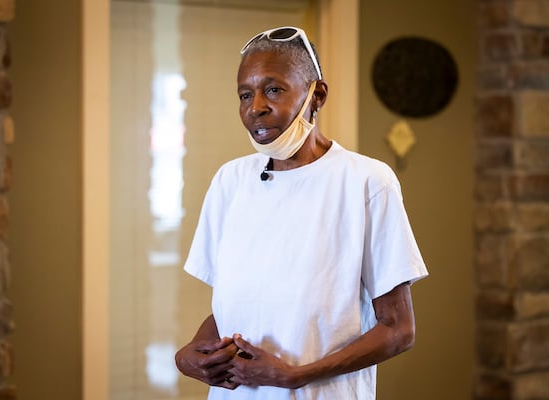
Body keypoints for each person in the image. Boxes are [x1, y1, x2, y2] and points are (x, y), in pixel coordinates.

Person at [175, 26, 428, 400]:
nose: (255, 106)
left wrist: (296, 376)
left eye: (273, 90)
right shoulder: (230, 181)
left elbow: (398, 329)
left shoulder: (366, 182)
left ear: (317, 94)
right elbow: (241, 304)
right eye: (245, 94)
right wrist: (190, 354)